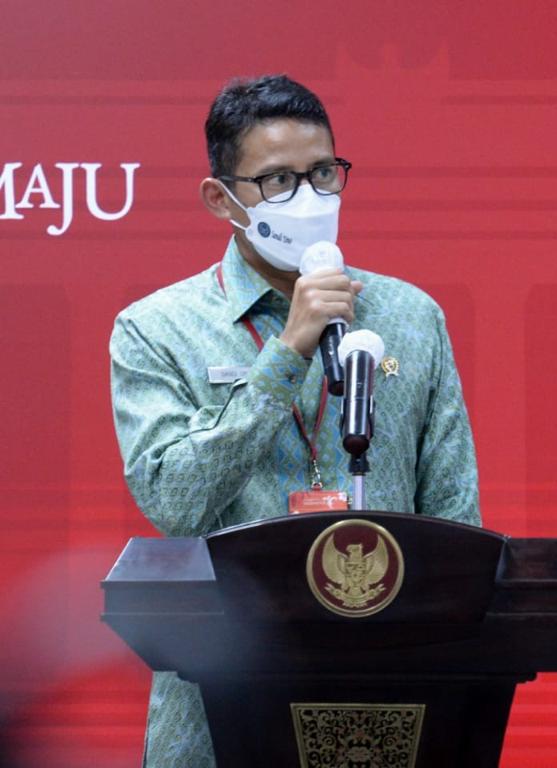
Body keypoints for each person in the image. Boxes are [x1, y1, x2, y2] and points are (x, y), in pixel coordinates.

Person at [110, 74, 479, 766]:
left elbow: (456, 521)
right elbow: (173, 500)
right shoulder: (155, 328)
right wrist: (288, 350)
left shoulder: (411, 316)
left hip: (388, 693)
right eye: (278, 181)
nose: (309, 198)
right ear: (220, 198)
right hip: (220, 696)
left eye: (323, 174)